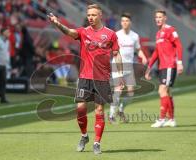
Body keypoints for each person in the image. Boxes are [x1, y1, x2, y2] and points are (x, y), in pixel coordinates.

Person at [47, 4, 124, 154]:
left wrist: (120, 75)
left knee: (99, 111)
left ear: (100, 15)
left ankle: (97, 142)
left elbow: (116, 54)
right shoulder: (83, 32)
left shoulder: (110, 34)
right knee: (80, 109)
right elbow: (69, 32)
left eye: (94, 15)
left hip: (102, 78)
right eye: (89, 15)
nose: (90, 17)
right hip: (85, 77)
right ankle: (84, 136)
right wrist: (57, 23)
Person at [145, 10, 183, 128]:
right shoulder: (158, 34)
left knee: (162, 90)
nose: (158, 19)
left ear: (165, 18)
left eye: (160, 17)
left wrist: (180, 62)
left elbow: (179, 45)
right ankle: (171, 120)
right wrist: (149, 67)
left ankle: (161, 119)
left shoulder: (170, 30)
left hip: (170, 65)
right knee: (168, 92)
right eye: (156, 17)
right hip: (162, 67)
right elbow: (156, 52)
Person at [109, 12, 148, 123]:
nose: (125, 23)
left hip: (129, 67)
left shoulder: (135, 36)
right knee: (118, 90)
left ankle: (120, 110)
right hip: (117, 65)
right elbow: (112, 50)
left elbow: (138, 49)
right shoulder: (116, 35)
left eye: (127, 21)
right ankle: (111, 115)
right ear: (121, 22)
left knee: (131, 93)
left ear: (130, 22)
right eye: (123, 21)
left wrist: (143, 56)